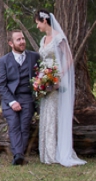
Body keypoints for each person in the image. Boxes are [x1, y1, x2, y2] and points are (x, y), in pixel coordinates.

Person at [34, 9, 86, 167]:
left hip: (56, 81)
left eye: (37, 23)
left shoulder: (58, 37)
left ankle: (56, 152)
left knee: (54, 114)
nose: (37, 27)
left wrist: (59, 76)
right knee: (46, 113)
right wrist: (40, 79)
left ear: (44, 21)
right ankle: (47, 153)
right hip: (45, 80)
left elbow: (68, 57)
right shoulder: (44, 39)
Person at [0, 29, 40, 166]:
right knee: (14, 125)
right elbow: (1, 85)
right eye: (18, 40)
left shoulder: (34, 57)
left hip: (27, 97)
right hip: (10, 99)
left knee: (24, 126)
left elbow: (41, 76)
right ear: (11, 43)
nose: (22, 42)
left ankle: (18, 155)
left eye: (23, 39)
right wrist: (12, 101)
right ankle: (19, 155)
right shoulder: (4, 61)